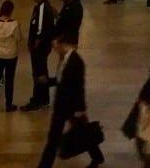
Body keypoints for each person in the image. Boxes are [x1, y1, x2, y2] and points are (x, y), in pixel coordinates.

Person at [36, 32, 104, 168]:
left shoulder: (76, 61)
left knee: (57, 138)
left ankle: (44, 165)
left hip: (70, 106)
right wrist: (49, 81)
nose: (55, 49)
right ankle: (97, 157)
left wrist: (80, 109)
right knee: (81, 132)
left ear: (63, 44)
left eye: (56, 46)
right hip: (64, 105)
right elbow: (62, 80)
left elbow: (79, 86)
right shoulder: (66, 59)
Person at [22, 0, 56, 110]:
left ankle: (38, 99)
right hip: (40, 47)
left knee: (39, 74)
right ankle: (42, 98)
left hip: (40, 48)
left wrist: (35, 44)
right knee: (40, 73)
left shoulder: (42, 8)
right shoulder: (40, 7)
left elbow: (40, 29)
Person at [0, 0, 22, 112]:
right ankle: (8, 105)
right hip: (10, 56)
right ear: (11, 11)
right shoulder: (14, 24)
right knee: (9, 80)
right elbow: (18, 38)